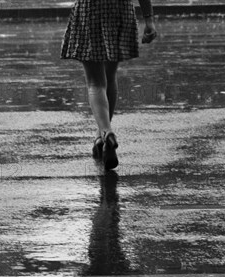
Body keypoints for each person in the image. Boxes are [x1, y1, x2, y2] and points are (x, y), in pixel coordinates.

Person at [61, 0, 157, 170]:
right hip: (120, 9)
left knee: (95, 83)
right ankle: (102, 136)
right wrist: (149, 20)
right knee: (110, 77)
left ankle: (106, 132)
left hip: (90, 9)